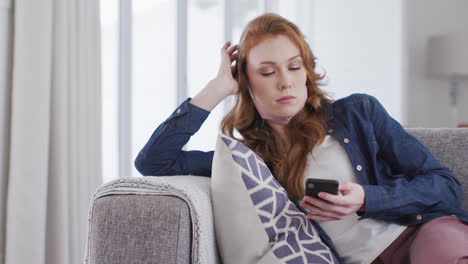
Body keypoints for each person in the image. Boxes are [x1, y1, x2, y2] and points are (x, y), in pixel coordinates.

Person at [135, 13, 468, 264]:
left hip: (423, 235)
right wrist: (218, 88)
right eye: (267, 72)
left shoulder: (358, 113)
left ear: (306, 71)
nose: (285, 82)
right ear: (246, 81)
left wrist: (367, 198)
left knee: (438, 248)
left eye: (294, 67)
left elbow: (446, 186)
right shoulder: (250, 162)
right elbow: (154, 161)